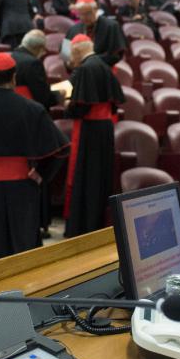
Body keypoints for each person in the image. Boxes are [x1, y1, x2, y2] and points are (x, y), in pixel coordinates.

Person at [0, 52, 68, 262]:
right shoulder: (32, 108)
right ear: (14, 77)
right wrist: (41, 174)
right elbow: (60, 149)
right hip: (22, 188)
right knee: (22, 244)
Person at [64, 35, 124, 238]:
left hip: (89, 130)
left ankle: (82, 226)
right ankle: (96, 223)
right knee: (100, 177)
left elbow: (79, 106)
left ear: (78, 51)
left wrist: (67, 108)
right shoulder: (103, 65)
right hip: (105, 129)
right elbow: (114, 103)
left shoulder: (84, 69)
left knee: (86, 177)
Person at [64, 0, 126, 66]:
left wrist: (89, 62)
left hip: (102, 71)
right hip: (79, 73)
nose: (84, 17)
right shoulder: (72, 29)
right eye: (81, 14)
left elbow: (116, 55)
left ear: (96, 9)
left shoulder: (111, 26)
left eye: (88, 13)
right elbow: (64, 54)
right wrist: (70, 63)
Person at [11, 29, 57, 111]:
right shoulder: (33, 63)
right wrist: (58, 96)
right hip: (29, 110)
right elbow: (42, 96)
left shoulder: (11, 56)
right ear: (38, 48)